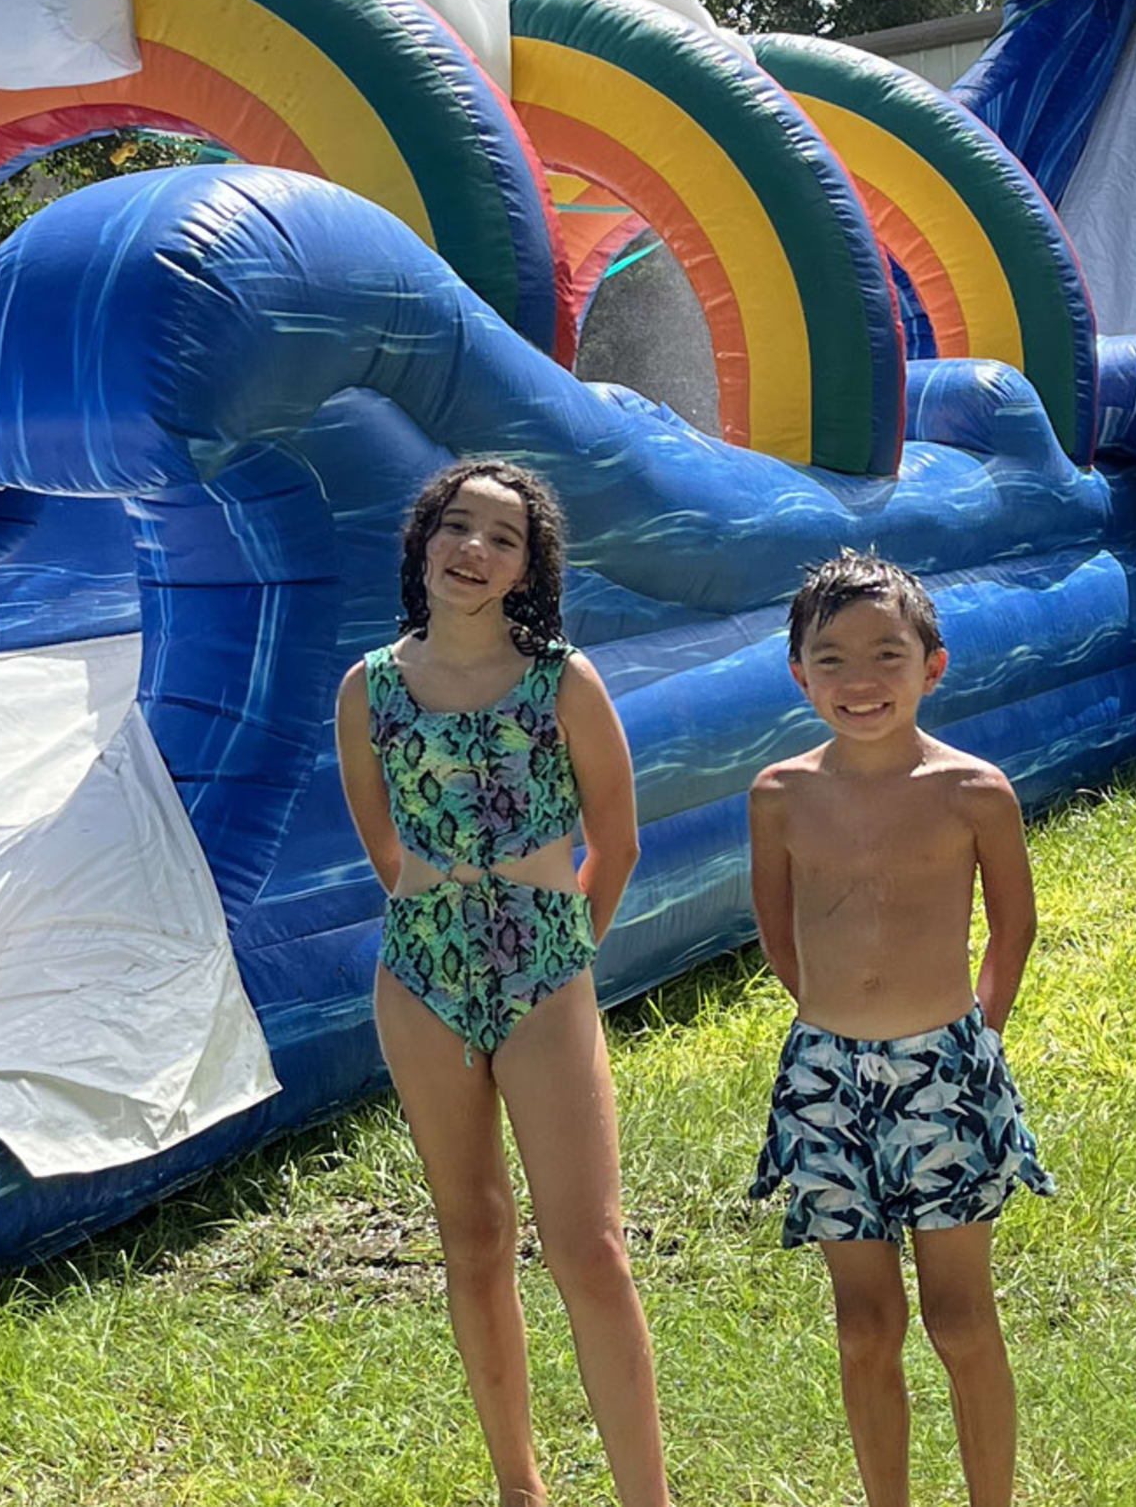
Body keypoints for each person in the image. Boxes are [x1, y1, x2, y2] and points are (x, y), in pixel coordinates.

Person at [335, 458, 671, 1507]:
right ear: (424, 539)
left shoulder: (563, 679)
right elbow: (385, 847)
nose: (472, 550)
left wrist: (562, 949)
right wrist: (446, 911)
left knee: (590, 1245)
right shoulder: (370, 688)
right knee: (472, 1232)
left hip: (544, 967)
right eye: (457, 526)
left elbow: (615, 843)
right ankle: (520, 1486)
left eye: (502, 537)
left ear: (529, 566)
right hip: (420, 976)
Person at [745, 551, 1055, 1507]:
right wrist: (837, 1023)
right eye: (831, 659)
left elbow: (1014, 924)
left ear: (934, 666)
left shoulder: (973, 792)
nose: (861, 680)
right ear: (799, 675)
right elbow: (778, 933)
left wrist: (977, 1040)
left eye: (888, 653)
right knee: (863, 1326)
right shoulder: (779, 796)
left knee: (960, 1321)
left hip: (945, 1070)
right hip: (826, 1080)